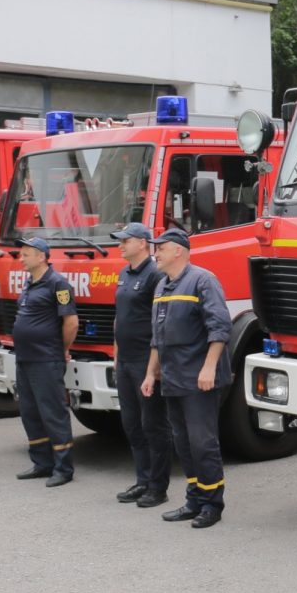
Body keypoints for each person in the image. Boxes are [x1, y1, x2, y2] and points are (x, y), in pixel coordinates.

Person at [141, 227, 232, 529]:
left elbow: (219, 328)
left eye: (161, 248)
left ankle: (212, 503)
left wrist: (209, 368)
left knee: (202, 442)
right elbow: (157, 336)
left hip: (197, 378)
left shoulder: (203, 280)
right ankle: (194, 499)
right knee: (183, 443)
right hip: (172, 377)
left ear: (178, 250)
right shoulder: (161, 286)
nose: (156, 253)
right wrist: (151, 372)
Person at [109, 222, 175, 508]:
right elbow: (119, 317)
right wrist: (115, 352)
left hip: (144, 361)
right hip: (124, 361)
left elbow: (160, 324)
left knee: (153, 426)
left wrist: (153, 366)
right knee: (132, 424)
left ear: (143, 244)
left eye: (126, 240)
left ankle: (158, 487)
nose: (120, 245)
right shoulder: (125, 273)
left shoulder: (155, 276)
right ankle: (143, 480)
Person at [11, 237, 79, 487]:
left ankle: (63, 468)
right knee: (30, 412)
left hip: (46, 358)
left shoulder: (58, 285)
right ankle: (42, 462)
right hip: (25, 359)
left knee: (53, 413)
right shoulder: (29, 284)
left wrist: (61, 350)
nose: (21, 258)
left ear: (42, 257)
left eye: (26, 254)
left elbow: (71, 322)